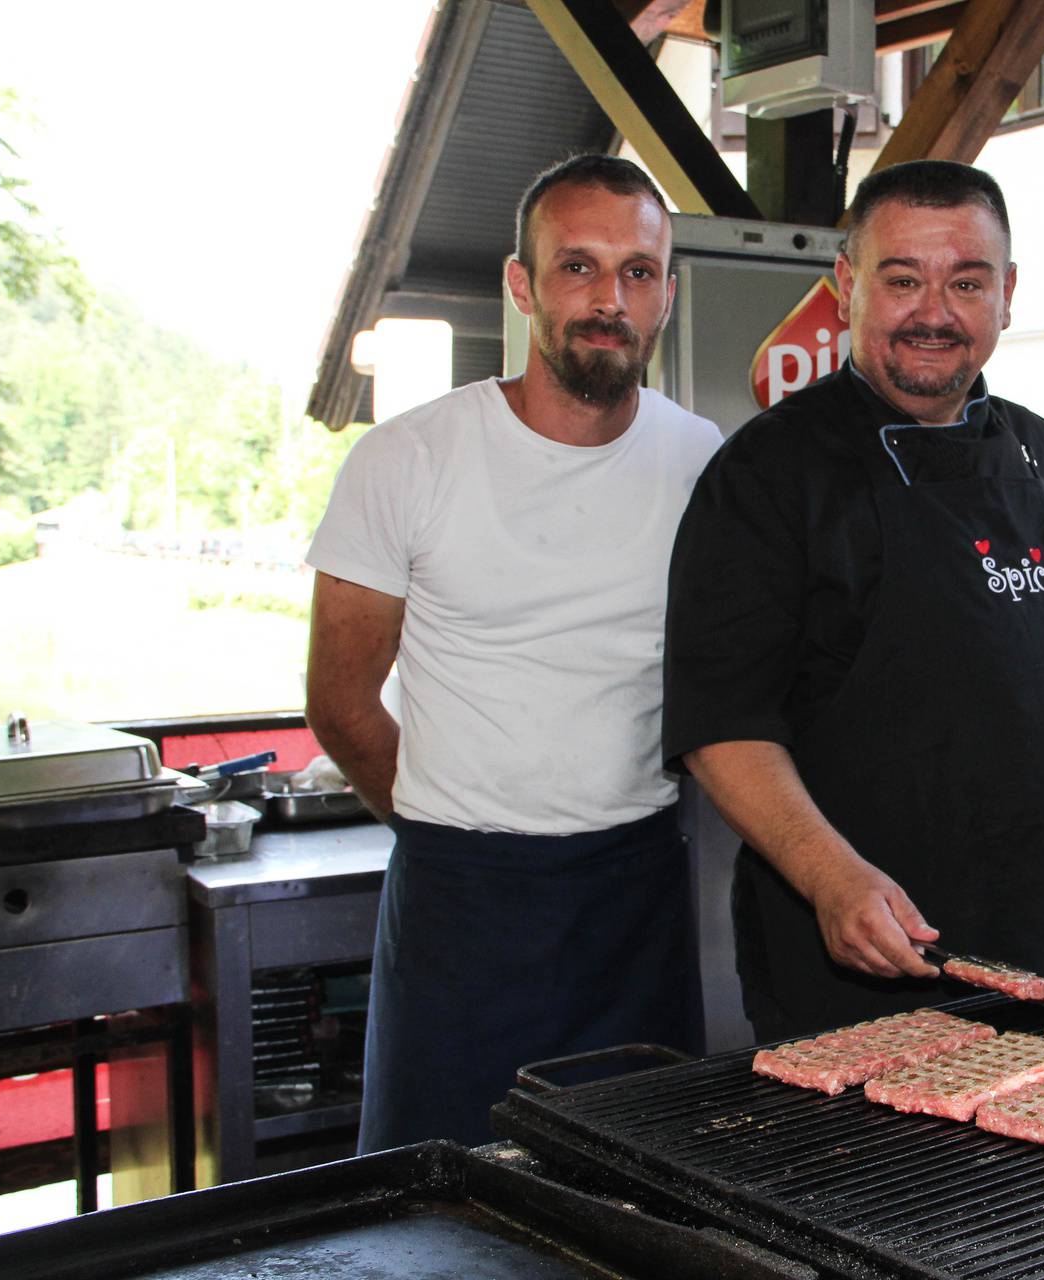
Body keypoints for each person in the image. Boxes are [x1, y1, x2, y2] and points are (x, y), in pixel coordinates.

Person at [663, 160, 1044, 1042]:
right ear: (847, 286)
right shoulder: (769, 474)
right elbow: (723, 724)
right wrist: (830, 877)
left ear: (1006, 294)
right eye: (903, 280)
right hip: (891, 970)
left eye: (966, 282)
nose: (934, 313)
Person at [305, 154, 723, 1150]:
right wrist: (456, 826)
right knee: (436, 1213)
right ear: (523, 284)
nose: (608, 299)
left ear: (667, 291)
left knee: (634, 1201)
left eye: (636, 272)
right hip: (461, 907)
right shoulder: (406, 458)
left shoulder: (704, 460)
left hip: (636, 897)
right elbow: (342, 703)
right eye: (577, 267)